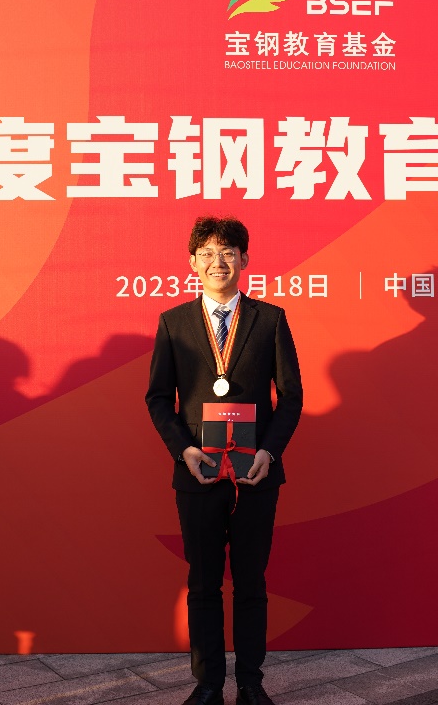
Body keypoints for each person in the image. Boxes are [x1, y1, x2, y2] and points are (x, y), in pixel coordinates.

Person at [146, 217, 302, 705]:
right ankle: (208, 684)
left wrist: (269, 451)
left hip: (255, 472)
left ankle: (251, 683)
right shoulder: (173, 323)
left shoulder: (269, 320)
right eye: (209, 253)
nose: (219, 262)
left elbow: (291, 397)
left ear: (245, 260)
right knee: (203, 583)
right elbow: (158, 398)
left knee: (251, 582)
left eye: (229, 252)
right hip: (198, 472)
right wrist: (183, 449)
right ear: (193, 262)